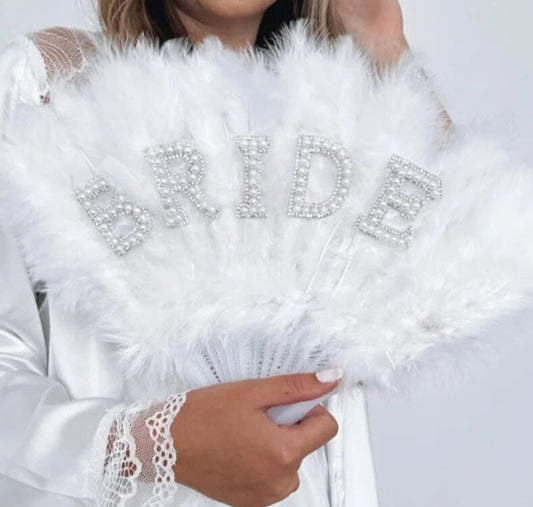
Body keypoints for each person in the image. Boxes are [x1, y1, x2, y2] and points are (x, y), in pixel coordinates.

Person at [0, 1, 444, 505]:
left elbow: (455, 265)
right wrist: (156, 444)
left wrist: (382, 39)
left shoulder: (336, 108)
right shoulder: (53, 84)